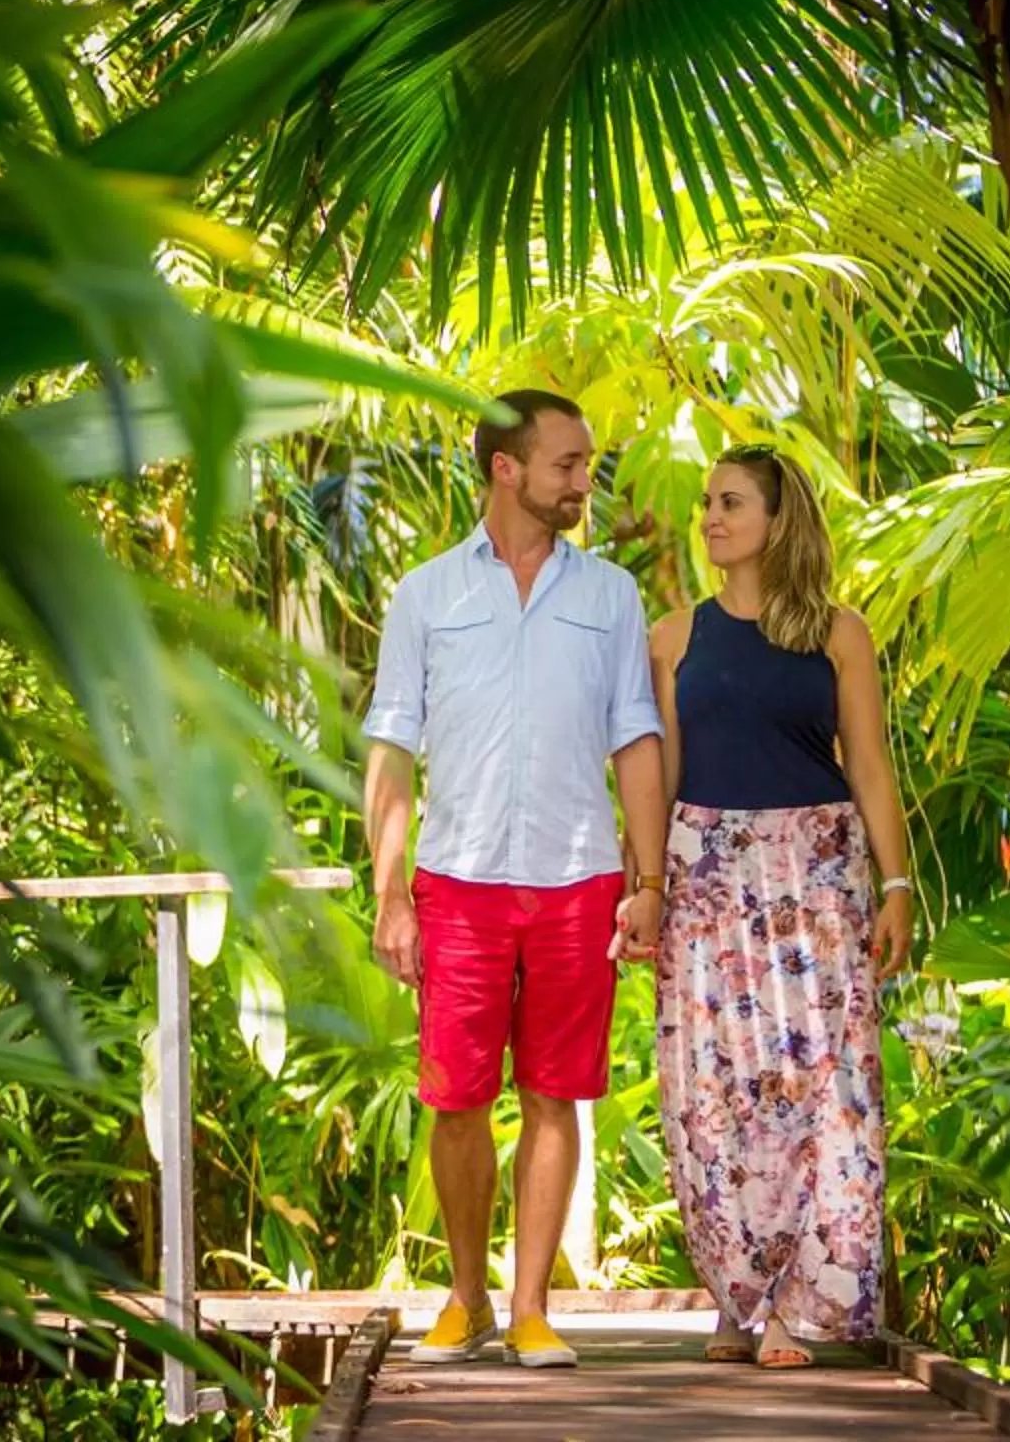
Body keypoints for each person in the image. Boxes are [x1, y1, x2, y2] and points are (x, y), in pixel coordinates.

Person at [365, 388, 669, 1369]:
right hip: (458, 880)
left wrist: (649, 877)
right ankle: (466, 1298)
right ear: (507, 469)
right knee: (454, 1097)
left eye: (586, 463)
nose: (586, 480)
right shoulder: (426, 594)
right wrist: (390, 889)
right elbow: (392, 747)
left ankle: (532, 1306)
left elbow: (637, 735)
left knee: (555, 1093)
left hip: (581, 874)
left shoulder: (611, 594)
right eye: (568, 463)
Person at [645, 443, 914, 1369]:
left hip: (819, 879)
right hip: (709, 876)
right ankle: (736, 1297)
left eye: (731, 503)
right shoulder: (673, 638)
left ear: (776, 519)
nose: (712, 518)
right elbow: (664, 777)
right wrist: (647, 886)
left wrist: (898, 883)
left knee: (822, 1085)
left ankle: (802, 1304)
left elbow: (870, 766)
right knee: (710, 1089)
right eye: (708, 503)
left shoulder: (840, 633)